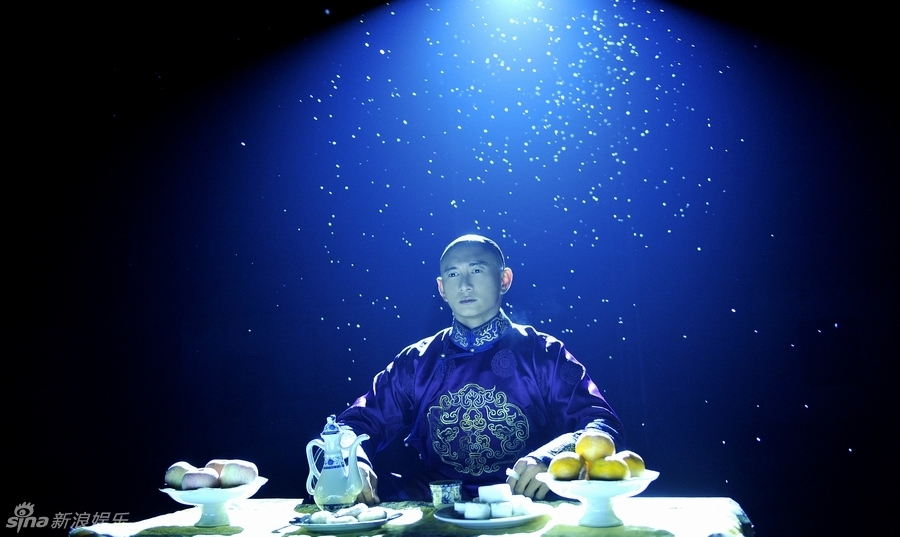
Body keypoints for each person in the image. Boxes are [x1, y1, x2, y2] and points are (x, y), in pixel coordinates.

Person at [336, 234, 624, 503]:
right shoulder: (416, 362)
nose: (464, 284)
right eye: (453, 274)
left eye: (476, 270)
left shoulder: (543, 354)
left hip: (527, 504)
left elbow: (602, 425)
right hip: (435, 507)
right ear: (441, 288)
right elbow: (353, 425)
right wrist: (353, 460)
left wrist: (553, 458)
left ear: (504, 279)